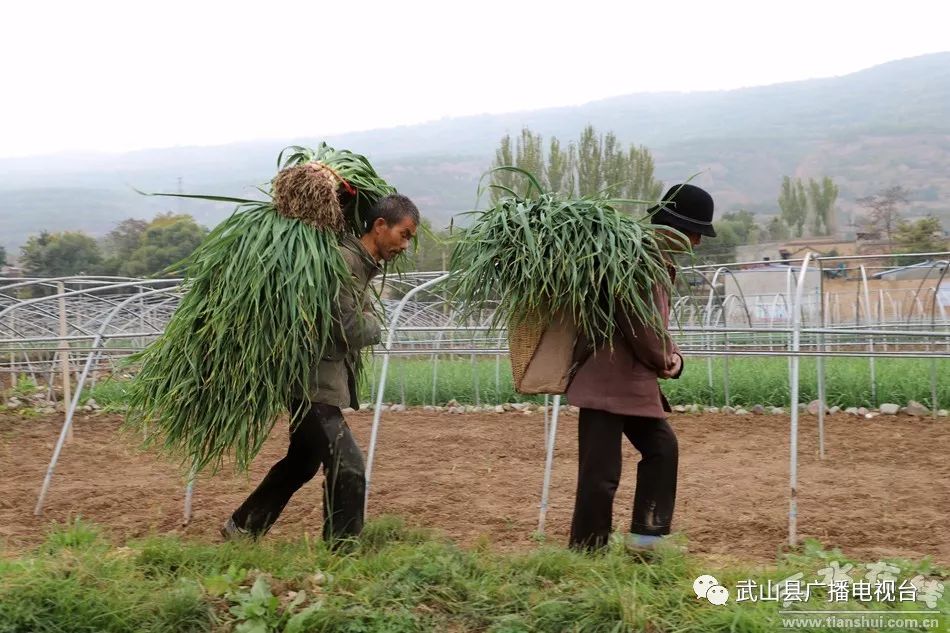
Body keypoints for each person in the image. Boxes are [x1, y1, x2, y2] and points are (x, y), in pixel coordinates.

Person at [222, 194, 420, 544]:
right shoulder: (344, 262)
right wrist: (375, 324)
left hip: (318, 381)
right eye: (403, 235)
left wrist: (366, 317)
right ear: (380, 226)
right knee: (349, 465)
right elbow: (349, 326)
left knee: (301, 463)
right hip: (312, 384)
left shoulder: (360, 265)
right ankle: (342, 552)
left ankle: (242, 527)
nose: (405, 245)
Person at [565, 183, 715, 553]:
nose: (697, 242)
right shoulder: (638, 259)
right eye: (696, 232)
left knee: (662, 449)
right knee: (601, 472)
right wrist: (668, 360)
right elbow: (640, 324)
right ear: (677, 227)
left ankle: (647, 539)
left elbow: (651, 325)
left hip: (630, 383)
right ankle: (587, 551)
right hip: (606, 381)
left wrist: (669, 353)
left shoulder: (651, 258)